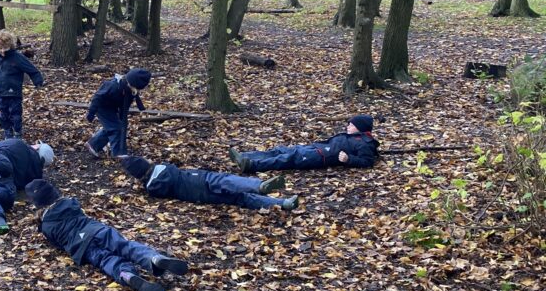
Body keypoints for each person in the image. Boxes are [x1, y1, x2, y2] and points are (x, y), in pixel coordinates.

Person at [24, 180, 187, 291]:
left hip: (81, 247)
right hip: (96, 230)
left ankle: (126, 275)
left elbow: (57, 245)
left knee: (105, 259)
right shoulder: (71, 203)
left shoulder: (46, 226)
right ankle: (153, 258)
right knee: (125, 246)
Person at [120, 156, 299, 211]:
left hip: (200, 196)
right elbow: (172, 167)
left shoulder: (153, 189)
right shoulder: (164, 167)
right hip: (200, 178)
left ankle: (283, 203)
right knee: (228, 181)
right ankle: (258, 186)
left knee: (242, 199)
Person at [229, 115, 379, 173]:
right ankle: (245, 156)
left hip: (320, 157)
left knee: (288, 158)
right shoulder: (354, 136)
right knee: (282, 151)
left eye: (351, 125)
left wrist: (348, 160)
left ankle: (251, 165)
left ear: (360, 127)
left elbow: (367, 162)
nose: (348, 127)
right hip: (316, 148)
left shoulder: (365, 143)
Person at [0, 29, 44, 139]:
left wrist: (38, 81)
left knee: (15, 114)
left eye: (5, 48)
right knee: (2, 115)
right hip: (0, 93)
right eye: (0, 48)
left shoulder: (17, 57)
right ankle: (7, 132)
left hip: (14, 92)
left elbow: (32, 69)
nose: (2, 51)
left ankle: (17, 132)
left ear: (10, 46)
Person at [85, 68, 152, 158]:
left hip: (112, 108)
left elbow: (125, 106)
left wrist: (122, 119)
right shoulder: (112, 86)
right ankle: (119, 155)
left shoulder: (130, 91)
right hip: (102, 107)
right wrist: (91, 113)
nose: (137, 91)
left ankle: (93, 144)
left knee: (116, 126)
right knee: (116, 128)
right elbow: (97, 98)